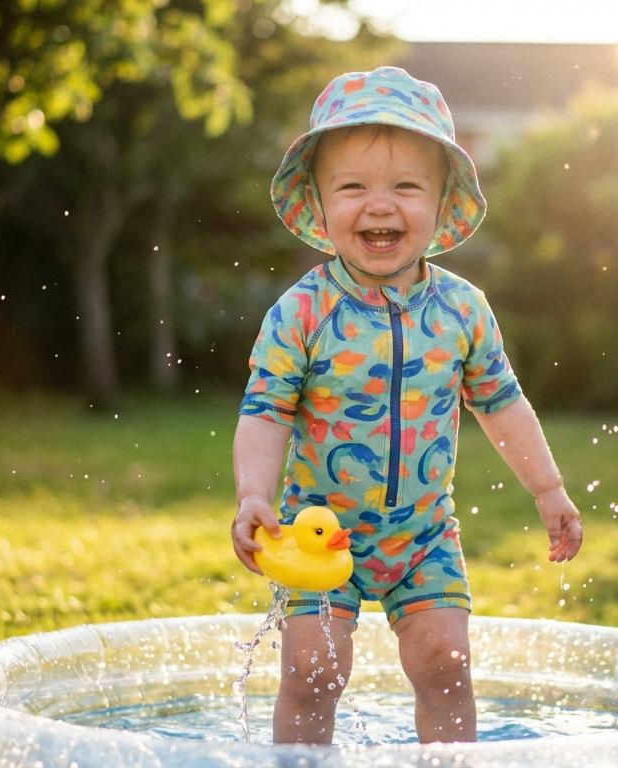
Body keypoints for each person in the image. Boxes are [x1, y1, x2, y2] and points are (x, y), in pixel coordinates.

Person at [230, 66, 583, 745]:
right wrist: (252, 493)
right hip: (318, 536)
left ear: (443, 201)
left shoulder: (462, 311)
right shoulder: (302, 311)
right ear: (319, 199)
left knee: (446, 665)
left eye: (405, 187)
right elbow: (265, 410)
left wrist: (548, 488)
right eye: (353, 186)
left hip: (424, 538)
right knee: (310, 673)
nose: (380, 205)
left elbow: (502, 404)